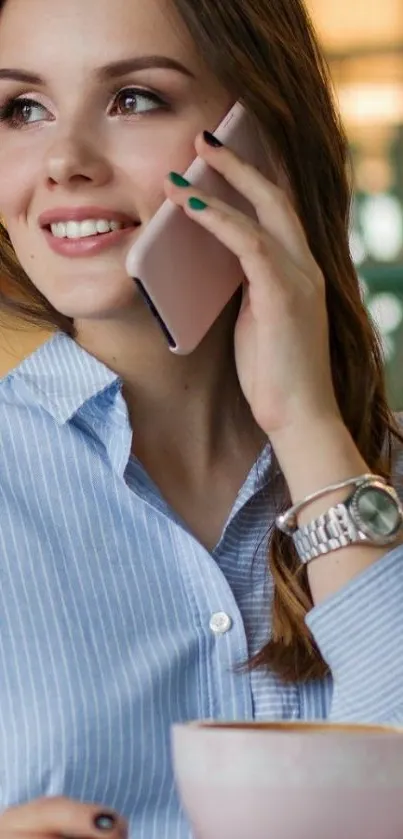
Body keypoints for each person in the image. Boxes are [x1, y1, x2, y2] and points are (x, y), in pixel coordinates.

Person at [0, 0, 402, 836]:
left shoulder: (378, 478)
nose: (63, 161)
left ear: (259, 139)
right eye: (22, 110)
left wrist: (306, 427)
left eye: (135, 98)